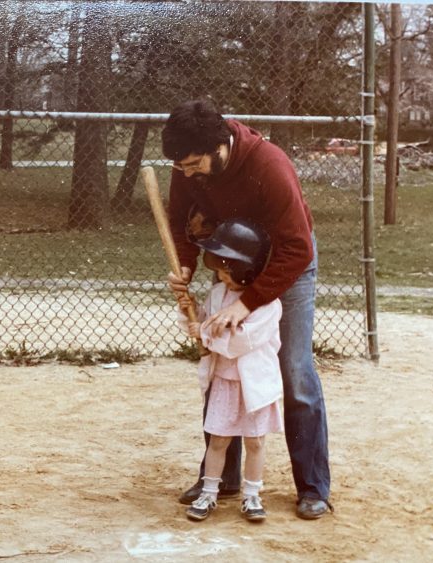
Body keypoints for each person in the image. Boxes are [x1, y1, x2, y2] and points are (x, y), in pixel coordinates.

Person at [162, 100, 332, 519]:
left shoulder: (269, 165)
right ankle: (221, 477)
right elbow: (181, 219)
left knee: (292, 370)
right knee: (223, 360)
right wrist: (184, 262)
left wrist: (249, 302)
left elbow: (297, 247)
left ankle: (313, 486)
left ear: (221, 145)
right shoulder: (188, 162)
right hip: (233, 261)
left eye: (195, 164)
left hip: (286, 263)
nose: (187, 174)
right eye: (181, 166)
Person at [178, 217, 283, 522]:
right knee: (219, 439)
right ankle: (209, 493)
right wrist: (189, 310)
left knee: (255, 441)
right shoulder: (217, 295)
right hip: (224, 381)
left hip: (254, 385)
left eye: (226, 268)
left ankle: (252, 495)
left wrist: (205, 333)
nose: (220, 274)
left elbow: (240, 342)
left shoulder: (267, 304)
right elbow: (202, 324)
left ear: (245, 268)